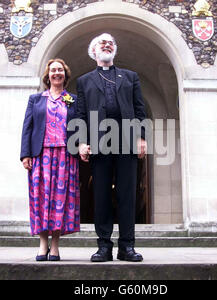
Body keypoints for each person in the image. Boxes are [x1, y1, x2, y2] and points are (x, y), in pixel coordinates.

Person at [76, 33, 147, 262]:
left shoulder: (130, 76)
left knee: (127, 195)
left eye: (111, 43)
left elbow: (139, 109)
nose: (107, 45)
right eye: (102, 43)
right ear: (93, 51)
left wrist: (141, 138)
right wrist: (81, 142)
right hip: (99, 142)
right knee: (102, 195)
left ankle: (127, 247)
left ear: (114, 50)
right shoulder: (84, 81)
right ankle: (104, 246)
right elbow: (80, 115)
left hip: (126, 140)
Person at [20, 58, 80, 261]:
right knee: (41, 199)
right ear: (48, 75)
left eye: (60, 70)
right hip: (40, 155)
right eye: (53, 70)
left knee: (60, 201)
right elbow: (27, 127)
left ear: (65, 75)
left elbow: (80, 126)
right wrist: (25, 154)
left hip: (65, 154)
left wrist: (82, 145)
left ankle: (55, 246)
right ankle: (42, 244)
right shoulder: (35, 100)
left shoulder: (73, 100)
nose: (56, 73)